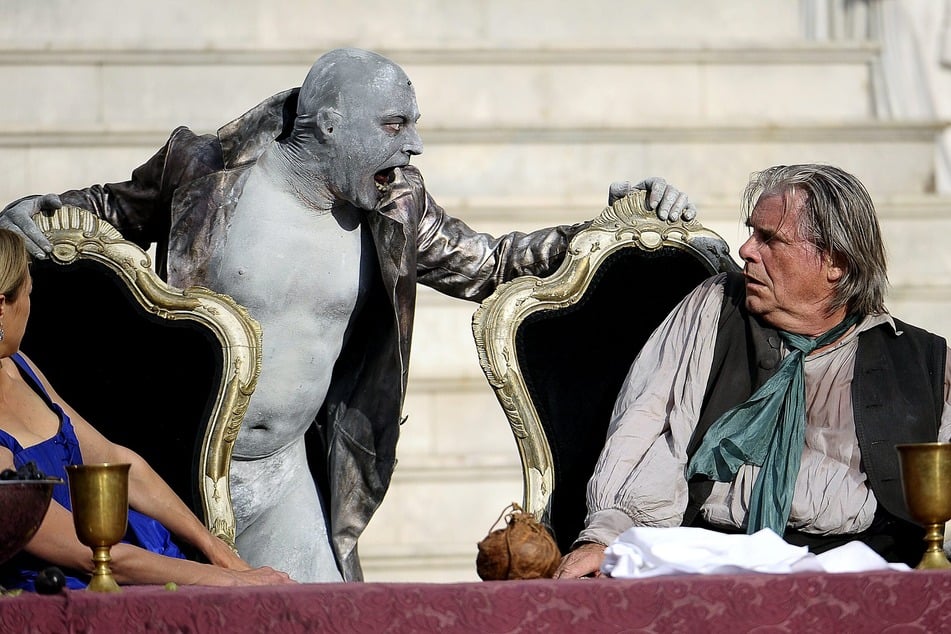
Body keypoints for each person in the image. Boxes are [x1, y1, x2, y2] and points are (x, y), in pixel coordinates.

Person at [0, 48, 697, 583]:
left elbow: (491, 264)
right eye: (395, 126)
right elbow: (110, 211)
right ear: (328, 125)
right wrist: (32, 214)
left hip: (282, 475)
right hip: (171, 469)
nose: (413, 145)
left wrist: (610, 225)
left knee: (320, 620)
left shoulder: (395, 203)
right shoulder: (204, 171)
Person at [554, 163, 951, 579]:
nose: (746, 250)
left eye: (769, 239)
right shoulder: (715, 308)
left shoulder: (925, 362)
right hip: (708, 564)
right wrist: (606, 539)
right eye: (751, 231)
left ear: (834, 262)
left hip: (857, 581)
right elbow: (649, 426)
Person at [0, 229, 294, 591]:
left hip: (145, 566)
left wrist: (218, 551)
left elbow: (118, 463)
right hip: (68, 594)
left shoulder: (18, 366)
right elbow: (88, 554)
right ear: (1, 305)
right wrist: (227, 580)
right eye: (28, 295)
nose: (31, 307)